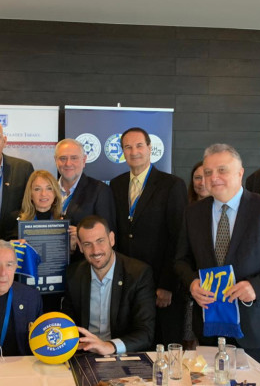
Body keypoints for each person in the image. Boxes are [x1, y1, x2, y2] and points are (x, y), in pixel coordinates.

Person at [174, 143, 260, 380]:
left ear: (240, 173)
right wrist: (192, 283)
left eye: (222, 170)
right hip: (211, 329)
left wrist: (256, 287)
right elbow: (181, 261)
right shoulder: (193, 213)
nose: (214, 177)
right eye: (208, 172)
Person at [110, 127, 188, 346]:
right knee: (132, 344)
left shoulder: (172, 185)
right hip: (127, 282)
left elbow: (178, 238)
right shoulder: (116, 184)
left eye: (139, 146)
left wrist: (167, 284)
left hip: (160, 283)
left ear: (149, 148)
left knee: (162, 344)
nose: (134, 152)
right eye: (128, 147)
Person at [62, 215, 155, 355]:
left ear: (111, 239)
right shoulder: (74, 274)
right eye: (87, 244)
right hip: (84, 353)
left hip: (122, 354)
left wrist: (109, 346)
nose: (95, 250)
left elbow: (145, 333)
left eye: (100, 241)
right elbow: (68, 324)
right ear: (80, 247)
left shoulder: (138, 274)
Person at [54, 138, 116, 258]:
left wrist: (81, 234)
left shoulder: (100, 190)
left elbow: (108, 235)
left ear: (84, 160)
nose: (68, 163)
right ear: (55, 160)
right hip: (50, 263)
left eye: (74, 158)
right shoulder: (48, 191)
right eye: (63, 158)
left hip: (84, 265)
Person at [15, 169, 65, 312]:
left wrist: (73, 245)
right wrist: (13, 248)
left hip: (55, 292)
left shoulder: (65, 223)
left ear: (55, 193)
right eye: (37, 189)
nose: (43, 194)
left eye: (49, 188)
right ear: (30, 194)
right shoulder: (15, 222)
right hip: (24, 292)